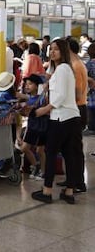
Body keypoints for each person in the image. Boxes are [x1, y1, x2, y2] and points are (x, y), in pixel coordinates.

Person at [31, 38, 81, 204]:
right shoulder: (67, 69)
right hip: (73, 118)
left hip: (60, 119)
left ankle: (47, 191)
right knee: (70, 155)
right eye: (51, 49)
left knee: (50, 153)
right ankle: (69, 192)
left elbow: (59, 97)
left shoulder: (61, 70)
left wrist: (42, 110)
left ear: (63, 51)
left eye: (56, 49)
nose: (52, 52)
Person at [55, 37, 87, 192]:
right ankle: (71, 180)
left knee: (74, 149)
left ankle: (78, 183)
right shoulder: (75, 65)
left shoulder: (75, 66)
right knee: (69, 149)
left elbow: (78, 94)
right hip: (76, 109)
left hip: (76, 110)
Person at [19, 74, 47, 181]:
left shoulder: (42, 98)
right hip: (31, 126)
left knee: (40, 150)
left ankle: (43, 172)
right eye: (26, 84)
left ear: (37, 86)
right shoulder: (28, 98)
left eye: (30, 84)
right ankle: (36, 166)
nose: (27, 86)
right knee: (25, 148)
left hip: (42, 126)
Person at [86, 43, 95, 136]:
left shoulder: (89, 64)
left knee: (91, 109)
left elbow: (85, 77)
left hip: (92, 91)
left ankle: (92, 128)